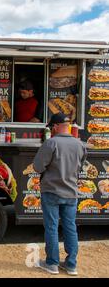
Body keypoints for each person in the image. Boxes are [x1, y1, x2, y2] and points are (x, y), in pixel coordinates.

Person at [33, 112, 87, 276]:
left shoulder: (51, 143)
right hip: (71, 192)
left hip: (51, 191)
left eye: (52, 127)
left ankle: (52, 264)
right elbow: (81, 167)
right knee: (70, 228)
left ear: (56, 126)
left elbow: (37, 167)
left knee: (52, 227)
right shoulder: (80, 144)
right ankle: (71, 265)